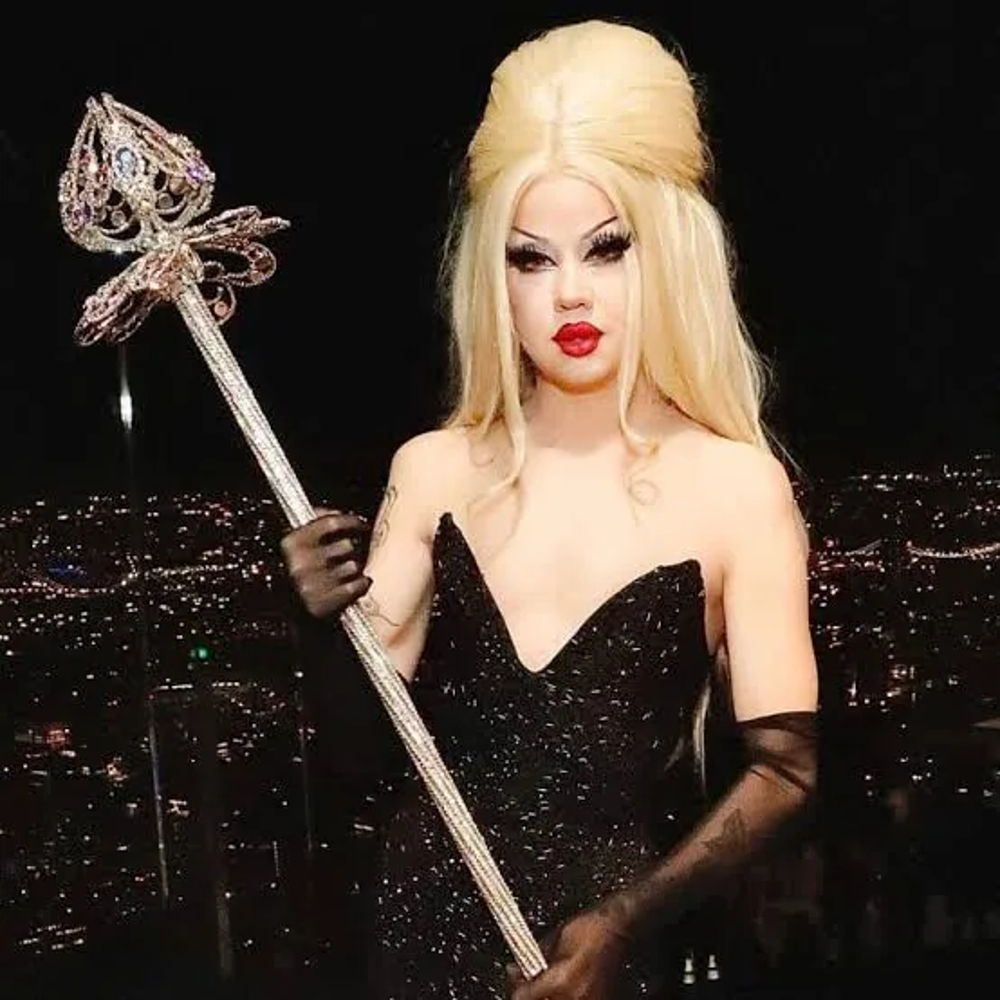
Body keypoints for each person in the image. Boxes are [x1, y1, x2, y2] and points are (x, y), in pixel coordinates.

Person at [281, 19, 818, 999]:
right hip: (419, 932)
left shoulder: (737, 488)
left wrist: (625, 920)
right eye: (531, 259)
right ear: (493, 275)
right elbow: (359, 757)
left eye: (606, 249)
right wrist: (322, 625)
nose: (569, 293)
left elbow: (785, 772)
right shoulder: (434, 471)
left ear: (669, 254)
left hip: (604, 959)